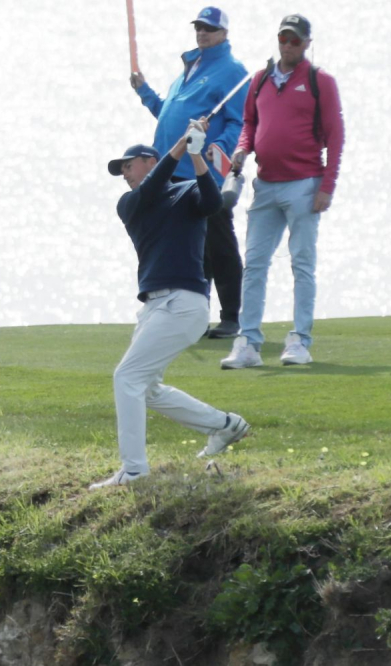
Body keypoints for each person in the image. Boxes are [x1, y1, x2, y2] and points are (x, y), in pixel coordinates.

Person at [90, 124, 250, 489]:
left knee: (126, 378)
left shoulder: (187, 191)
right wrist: (181, 146)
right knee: (146, 388)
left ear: (149, 161)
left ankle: (133, 471)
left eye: (128, 166)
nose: (125, 174)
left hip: (184, 303)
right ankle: (224, 425)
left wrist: (195, 155)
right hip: (153, 308)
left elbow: (213, 204)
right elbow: (154, 186)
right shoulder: (130, 203)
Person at [220, 14, 344, 369]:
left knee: (302, 263)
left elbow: (336, 137)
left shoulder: (321, 82)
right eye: (283, 39)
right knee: (255, 263)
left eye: (295, 40)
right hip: (266, 185)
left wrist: (327, 187)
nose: (288, 46)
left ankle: (300, 339)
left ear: (306, 43)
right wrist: (243, 147)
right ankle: (248, 343)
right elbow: (249, 123)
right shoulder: (259, 80)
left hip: (305, 185)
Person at [130, 7, 248, 339]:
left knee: (219, 244)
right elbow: (169, 115)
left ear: (224, 33)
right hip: (171, 173)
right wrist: (145, 93)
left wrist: (220, 145)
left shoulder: (232, 71)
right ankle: (192, 318)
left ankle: (231, 318)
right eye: (199, 27)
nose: (202, 32)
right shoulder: (190, 68)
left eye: (209, 28)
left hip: (202, 173)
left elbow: (240, 122)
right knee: (188, 251)